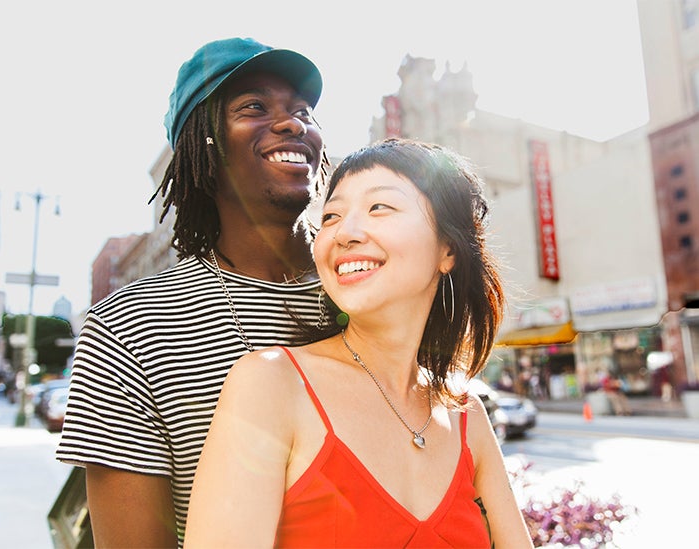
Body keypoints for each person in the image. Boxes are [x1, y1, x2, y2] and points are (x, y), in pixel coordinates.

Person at [185, 139, 534, 548]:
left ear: (448, 249)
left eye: (379, 207)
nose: (344, 233)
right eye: (330, 216)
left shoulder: (466, 413)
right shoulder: (273, 383)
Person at [56, 37, 327, 547]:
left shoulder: (373, 284)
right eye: (253, 106)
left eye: (303, 111)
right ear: (203, 142)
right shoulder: (127, 329)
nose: (295, 123)